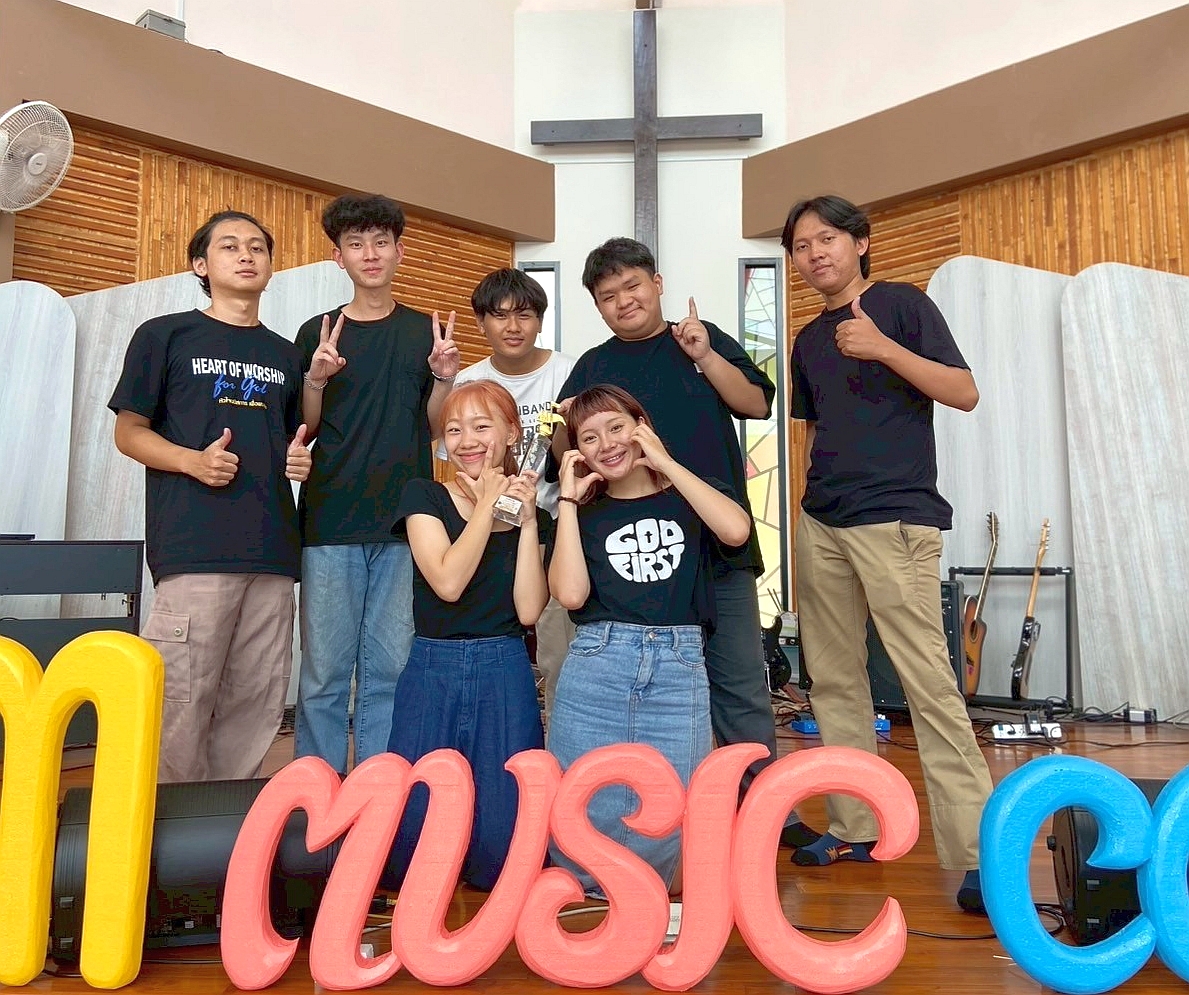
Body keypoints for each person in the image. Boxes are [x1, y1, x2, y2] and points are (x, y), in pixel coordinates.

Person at [556, 238, 818, 848]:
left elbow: (756, 402)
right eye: (608, 296)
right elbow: (565, 449)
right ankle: (662, 819)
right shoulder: (592, 367)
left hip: (716, 545)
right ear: (596, 306)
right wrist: (556, 431)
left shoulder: (697, 338)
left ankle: (767, 814)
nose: (624, 301)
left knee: (741, 685)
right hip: (635, 555)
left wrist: (705, 355)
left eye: (633, 286)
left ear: (658, 282)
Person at [781, 194, 992, 912]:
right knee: (834, 682)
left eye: (827, 239)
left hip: (895, 518)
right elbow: (814, 433)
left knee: (927, 684)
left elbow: (963, 392)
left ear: (860, 242)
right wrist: (805, 508)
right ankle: (854, 824)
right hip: (823, 522)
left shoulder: (901, 306)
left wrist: (884, 349)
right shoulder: (807, 340)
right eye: (801, 246)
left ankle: (977, 851)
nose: (815, 253)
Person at [109, 210, 311, 782]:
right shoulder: (164, 335)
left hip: (272, 553)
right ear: (200, 265)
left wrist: (299, 461)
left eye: (257, 247)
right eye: (229, 246)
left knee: (256, 705)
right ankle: (169, 830)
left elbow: (290, 441)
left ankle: (225, 828)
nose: (246, 255)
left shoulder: (285, 355)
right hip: (193, 550)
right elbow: (128, 432)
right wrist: (192, 461)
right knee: (180, 702)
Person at [548, 384, 752, 895]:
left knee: (674, 800)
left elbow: (736, 531)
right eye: (589, 437)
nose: (607, 444)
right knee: (582, 794)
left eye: (617, 427)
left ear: (641, 426)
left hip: (679, 664)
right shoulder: (585, 513)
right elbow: (570, 595)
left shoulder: (689, 493)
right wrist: (567, 500)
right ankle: (590, 900)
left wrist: (664, 461)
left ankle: (643, 898)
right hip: (599, 658)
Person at [293, 193, 460, 775]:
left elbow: (434, 429)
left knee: (390, 670)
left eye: (381, 243)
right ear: (337, 256)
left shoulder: (423, 332)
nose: (370, 254)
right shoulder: (317, 333)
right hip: (330, 520)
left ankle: (378, 793)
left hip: (405, 523)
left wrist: (444, 379)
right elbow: (306, 428)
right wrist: (315, 378)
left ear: (399, 252)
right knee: (323, 674)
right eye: (356, 244)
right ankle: (314, 795)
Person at [385, 380, 550, 891]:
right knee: (414, 844)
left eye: (482, 426)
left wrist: (526, 524)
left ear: (512, 433)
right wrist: (485, 507)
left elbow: (529, 610)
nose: (467, 440)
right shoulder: (424, 495)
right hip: (431, 667)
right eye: (454, 430)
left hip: (505, 669)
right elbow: (448, 582)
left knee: (503, 852)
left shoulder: (535, 515)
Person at [440, 267, 576, 718]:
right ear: (481, 323)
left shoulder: (570, 373)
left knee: (558, 653)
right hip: (487, 533)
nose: (513, 327)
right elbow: (454, 457)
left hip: (553, 529)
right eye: (499, 316)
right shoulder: (466, 382)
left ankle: (560, 748)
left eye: (524, 315)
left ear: (540, 320)